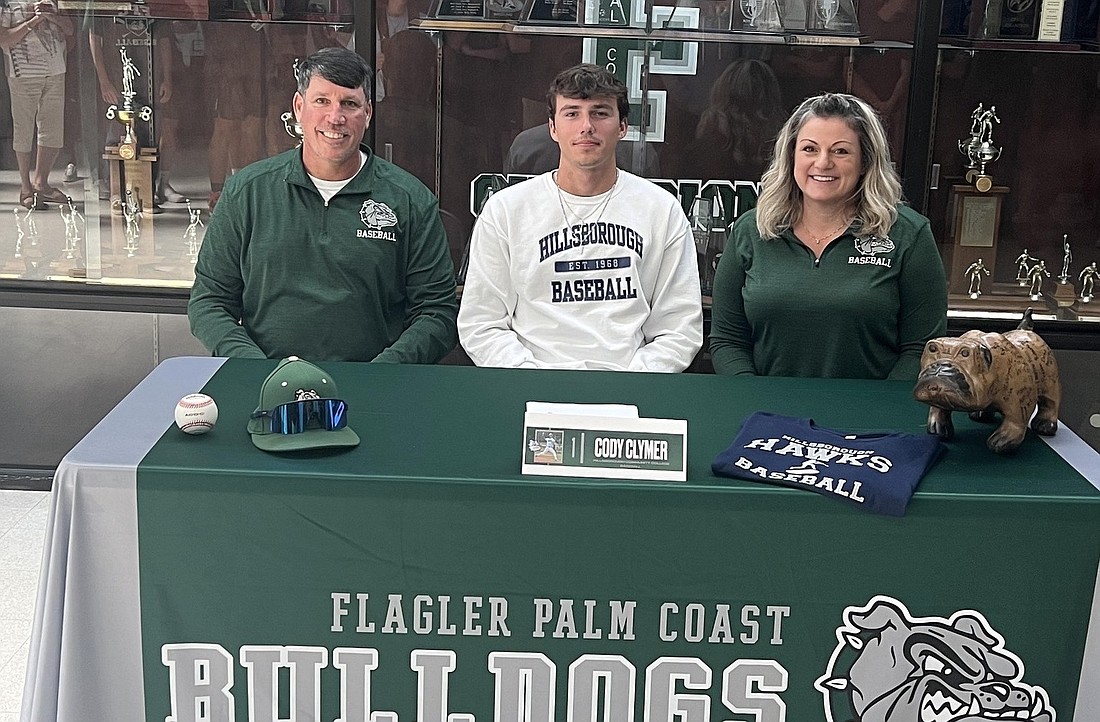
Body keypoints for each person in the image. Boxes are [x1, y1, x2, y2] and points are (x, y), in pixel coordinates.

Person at [188, 47, 458, 363]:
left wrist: (387, 370)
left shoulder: (411, 201)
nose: (335, 117)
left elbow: (436, 312)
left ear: (367, 114)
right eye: (322, 101)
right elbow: (209, 301)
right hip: (266, 383)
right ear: (299, 107)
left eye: (349, 104)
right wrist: (251, 366)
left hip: (375, 386)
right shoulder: (246, 193)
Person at [457, 63, 703, 371]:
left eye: (600, 113)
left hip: (630, 391)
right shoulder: (506, 210)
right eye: (572, 113)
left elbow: (679, 329)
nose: (586, 126)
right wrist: (531, 379)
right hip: (530, 389)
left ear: (623, 126)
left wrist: (631, 384)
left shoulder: (660, 210)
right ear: (553, 127)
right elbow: (482, 323)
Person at [709, 92, 947, 380]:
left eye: (840, 151)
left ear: (865, 162)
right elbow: (728, 341)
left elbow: (921, 348)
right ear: (791, 155)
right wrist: (754, 401)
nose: (823, 163)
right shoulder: (752, 230)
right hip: (766, 416)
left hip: (868, 420)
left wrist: (879, 409)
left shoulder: (909, 235)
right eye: (809, 149)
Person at [0, 0, 73, 210]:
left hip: (56, 69)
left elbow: (69, 29)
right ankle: (25, 187)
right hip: (22, 73)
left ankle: (41, 182)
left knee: (52, 129)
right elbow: (5, 40)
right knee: (23, 129)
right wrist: (34, 20)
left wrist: (51, 16)